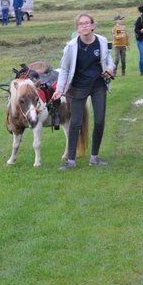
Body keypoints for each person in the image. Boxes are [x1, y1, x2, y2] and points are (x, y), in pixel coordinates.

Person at [52, 13, 115, 170]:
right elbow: (65, 69)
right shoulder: (71, 47)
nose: (84, 26)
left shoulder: (101, 42)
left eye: (87, 23)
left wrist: (109, 69)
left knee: (100, 121)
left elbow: (109, 61)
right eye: (81, 24)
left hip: (98, 85)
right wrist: (60, 90)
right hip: (78, 87)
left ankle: (94, 157)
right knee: (75, 122)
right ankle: (71, 161)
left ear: (93, 26)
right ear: (77, 28)